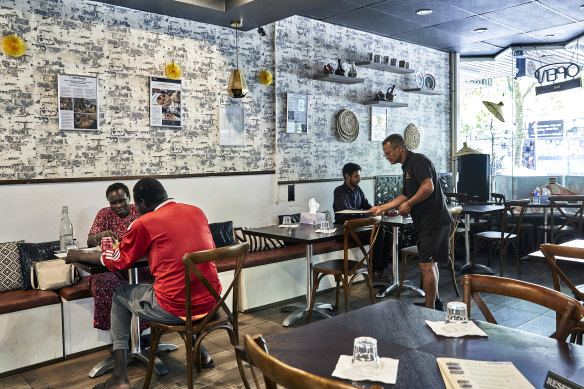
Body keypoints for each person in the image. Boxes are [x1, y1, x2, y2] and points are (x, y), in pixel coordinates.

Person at [67, 178, 221, 389]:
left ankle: (120, 378)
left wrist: (76, 254)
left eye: (135, 206)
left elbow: (118, 259)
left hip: (175, 308)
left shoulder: (146, 222)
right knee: (182, 285)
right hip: (211, 302)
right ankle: (201, 353)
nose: (134, 210)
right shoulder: (196, 211)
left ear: (141, 203)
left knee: (120, 294)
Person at [370, 134, 452, 310]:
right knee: (431, 263)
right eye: (385, 154)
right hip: (428, 222)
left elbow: (427, 187)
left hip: (434, 221)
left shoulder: (417, 161)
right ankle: (435, 303)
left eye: (388, 153)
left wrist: (410, 204)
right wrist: (381, 208)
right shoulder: (406, 167)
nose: (387, 157)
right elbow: (405, 195)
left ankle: (429, 309)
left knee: (425, 264)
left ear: (399, 148)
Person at [86, 183, 154, 333]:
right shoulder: (104, 214)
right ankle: (120, 335)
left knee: (154, 279)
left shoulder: (140, 211)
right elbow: (90, 240)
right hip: (114, 267)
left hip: (141, 266)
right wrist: (100, 235)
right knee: (101, 281)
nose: (118, 205)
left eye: (122, 200)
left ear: (129, 198)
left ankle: (140, 333)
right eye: (113, 203)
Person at [333, 162, 389, 283]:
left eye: (359, 176)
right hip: (345, 232)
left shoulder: (358, 190)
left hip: (358, 229)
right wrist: (366, 212)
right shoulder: (339, 191)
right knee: (379, 233)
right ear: (347, 176)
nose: (359, 179)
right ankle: (374, 271)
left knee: (388, 234)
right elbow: (345, 211)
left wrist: (377, 210)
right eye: (356, 176)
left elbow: (367, 206)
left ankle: (379, 270)